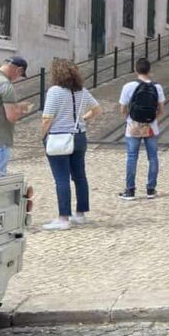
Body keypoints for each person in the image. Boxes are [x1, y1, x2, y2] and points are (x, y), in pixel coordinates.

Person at [40, 59, 101, 231]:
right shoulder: (82, 91)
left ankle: (63, 217)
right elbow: (97, 109)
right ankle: (80, 214)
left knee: (61, 178)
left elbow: (47, 118)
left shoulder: (55, 92)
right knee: (80, 176)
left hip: (59, 137)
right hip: (79, 136)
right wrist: (83, 119)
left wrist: (42, 136)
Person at [119, 58, 165, 200]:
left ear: (135, 69)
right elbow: (161, 109)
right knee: (152, 157)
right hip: (151, 126)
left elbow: (123, 109)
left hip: (133, 126)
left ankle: (130, 190)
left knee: (132, 157)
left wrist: (130, 119)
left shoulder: (128, 86)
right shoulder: (157, 87)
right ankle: (151, 190)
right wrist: (152, 120)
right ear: (149, 70)